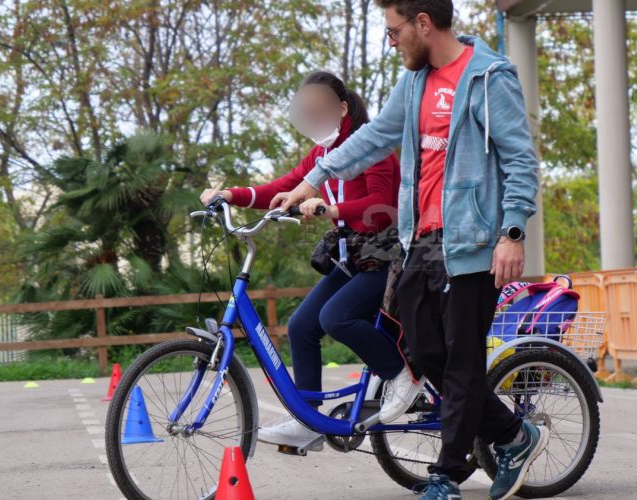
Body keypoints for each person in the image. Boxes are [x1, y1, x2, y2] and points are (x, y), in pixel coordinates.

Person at [272, 2, 545, 499]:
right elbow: (374, 138)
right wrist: (312, 179)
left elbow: (521, 161)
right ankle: (511, 435)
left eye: (395, 31)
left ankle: (446, 476)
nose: (391, 41)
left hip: (475, 243)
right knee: (421, 353)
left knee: (462, 360)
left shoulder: (488, 78)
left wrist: (512, 233)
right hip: (419, 241)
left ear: (424, 22)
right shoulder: (414, 83)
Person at [199, 71, 424, 451]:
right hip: (354, 258)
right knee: (302, 325)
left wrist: (330, 209)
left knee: (335, 317)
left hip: (388, 258)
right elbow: (280, 187)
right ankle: (308, 419)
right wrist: (229, 194)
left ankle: (402, 375)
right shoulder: (321, 154)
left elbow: (383, 208)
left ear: (342, 107)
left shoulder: (373, 147)